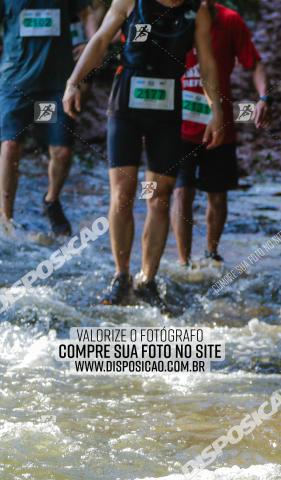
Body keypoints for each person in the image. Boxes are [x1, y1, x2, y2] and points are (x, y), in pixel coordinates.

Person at [62, 0, 224, 306]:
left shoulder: (197, 10)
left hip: (167, 107)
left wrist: (216, 110)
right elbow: (99, 41)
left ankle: (147, 279)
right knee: (123, 193)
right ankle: (121, 276)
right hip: (126, 104)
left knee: (159, 196)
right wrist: (74, 81)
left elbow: (207, 64)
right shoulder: (128, 1)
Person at [170, 0, 269, 267]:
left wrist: (264, 97)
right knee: (182, 192)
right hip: (178, 124)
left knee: (218, 192)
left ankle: (211, 252)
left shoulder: (230, 21)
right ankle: (183, 261)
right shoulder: (174, 17)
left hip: (220, 123)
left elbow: (255, 63)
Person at [0, 0, 94, 236]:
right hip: (16, 82)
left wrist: (89, 42)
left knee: (61, 151)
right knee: (11, 146)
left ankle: (51, 199)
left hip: (55, 85)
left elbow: (87, 12)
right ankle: (5, 217)